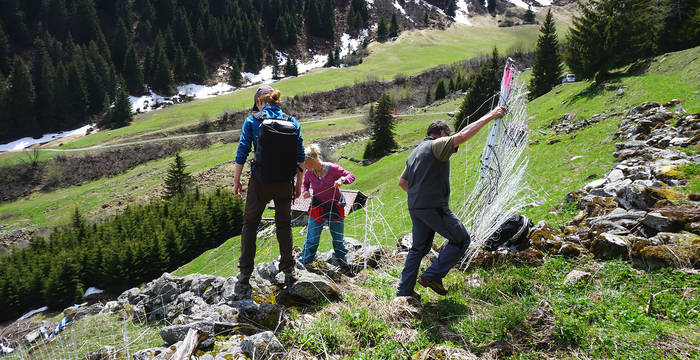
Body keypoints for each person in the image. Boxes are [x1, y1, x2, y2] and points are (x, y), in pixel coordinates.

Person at [396, 106, 507, 297]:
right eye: (448, 136)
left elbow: (402, 182)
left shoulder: (414, 153)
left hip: (416, 207)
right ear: (441, 134)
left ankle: (405, 291)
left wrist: (419, 196)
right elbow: (463, 135)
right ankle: (432, 276)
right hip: (433, 206)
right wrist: (491, 115)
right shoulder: (437, 145)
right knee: (461, 239)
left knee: (418, 248)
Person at [233, 85, 305, 290]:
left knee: (250, 224)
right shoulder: (292, 122)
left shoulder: (252, 121)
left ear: (259, 102)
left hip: (260, 183)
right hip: (284, 182)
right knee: (284, 225)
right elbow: (300, 157)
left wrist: (236, 181)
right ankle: (289, 271)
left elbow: (242, 152)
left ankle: (245, 273)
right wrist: (298, 185)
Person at [298, 144, 356, 270]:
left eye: (305, 163)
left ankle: (343, 263)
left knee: (338, 239)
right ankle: (304, 263)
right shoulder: (308, 173)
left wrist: (342, 180)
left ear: (312, 160)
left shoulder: (333, 168)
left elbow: (351, 175)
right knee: (312, 237)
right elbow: (305, 184)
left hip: (334, 207)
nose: (304, 166)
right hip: (318, 206)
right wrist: (305, 191)